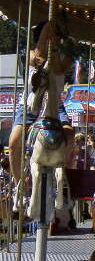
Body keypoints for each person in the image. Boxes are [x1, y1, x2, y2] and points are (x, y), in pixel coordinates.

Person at [8, 21, 75, 184]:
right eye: (54, 36)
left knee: (70, 133)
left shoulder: (65, 59)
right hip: (31, 103)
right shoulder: (32, 54)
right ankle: (19, 184)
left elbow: (58, 69)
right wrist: (47, 31)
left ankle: (62, 171)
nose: (56, 39)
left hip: (54, 103)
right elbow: (35, 59)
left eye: (57, 37)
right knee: (14, 142)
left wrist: (54, 49)